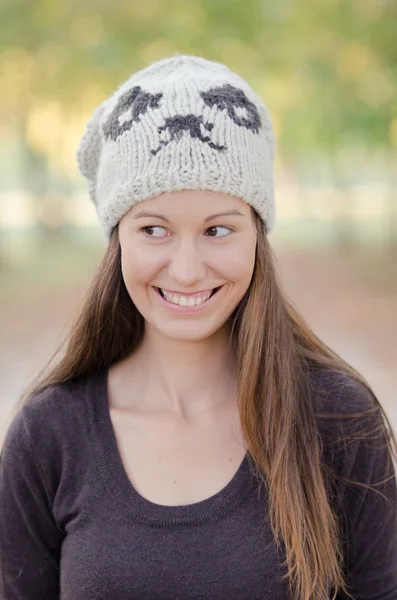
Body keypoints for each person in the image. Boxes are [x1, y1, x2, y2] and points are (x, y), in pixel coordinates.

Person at [0, 54, 396, 600]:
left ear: (258, 234)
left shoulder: (338, 419)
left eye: (217, 230)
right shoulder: (47, 436)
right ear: (119, 240)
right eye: (154, 229)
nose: (186, 269)